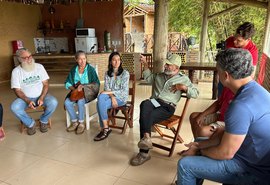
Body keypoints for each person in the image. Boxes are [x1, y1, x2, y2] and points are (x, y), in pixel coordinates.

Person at [177, 48, 270, 185]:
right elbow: (231, 135)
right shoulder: (259, 91)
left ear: (225, 75)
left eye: (218, 72)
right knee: (199, 139)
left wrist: (198, 150)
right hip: (253, 156)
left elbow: (225, 153)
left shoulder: (240, 106)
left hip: (253, 169)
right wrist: (198, 144)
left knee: (185, 165)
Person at [130, 54, 199, 166]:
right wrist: (145, 64)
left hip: (167, 107)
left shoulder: (184, 79)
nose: (165, 66)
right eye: (165, 64)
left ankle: (144, 153)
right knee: (145, 103)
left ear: (176, 67)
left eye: (168, 64)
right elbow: (148, 78)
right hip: (155, 102)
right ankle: (147, 138)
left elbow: (196, 93)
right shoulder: (160, 76)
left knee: (146, 116)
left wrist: (184, 87)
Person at [10, 48, 58, 135]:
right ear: (19, 59)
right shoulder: (16, 72)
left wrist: (42, 97)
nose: (29, 59)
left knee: (53, 102)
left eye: (30, 56)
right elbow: (17, 90)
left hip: (41, 95)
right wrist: (27, 100)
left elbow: (46, 84)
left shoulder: (39, 67)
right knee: (14, 107)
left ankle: (43, 121)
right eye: (25, 58)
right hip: (25, 98)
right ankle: (30, 124)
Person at [93, 52, 130, 141]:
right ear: (110, 62)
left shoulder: (125, 73)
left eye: (118, 60)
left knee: (100, 103)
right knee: (101, 97)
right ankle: (106, 128)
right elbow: (107, 88)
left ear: (121, 62)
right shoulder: (107, 74)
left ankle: (104, 128)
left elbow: (123, 91)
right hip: (111, 96)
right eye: (114, 60)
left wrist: (109, 93)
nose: (116, 62)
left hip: (121, 98)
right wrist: (112, 97)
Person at [218, 22, 258, 96]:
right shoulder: (229, 41)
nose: (234, 41)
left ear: (248, 39)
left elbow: (251, 74)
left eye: (239, 40)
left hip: (238, 83)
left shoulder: (252, 51)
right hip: (225, 77)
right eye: (234, 38)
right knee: (220, 98)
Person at [65, 50, 100, 135]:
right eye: (80, 59)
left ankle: (81, 123)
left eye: (84, 58)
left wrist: (84, 86)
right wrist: (74, 90)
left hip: (89, 92)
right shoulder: (74, 70)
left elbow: (96, 83)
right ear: (76, 59)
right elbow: (68, 82)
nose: (82, 61)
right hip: (77, 91)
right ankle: (74, 122)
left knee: (80, 101)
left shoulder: (90, 70)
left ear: (86, 59)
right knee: (67, 102)